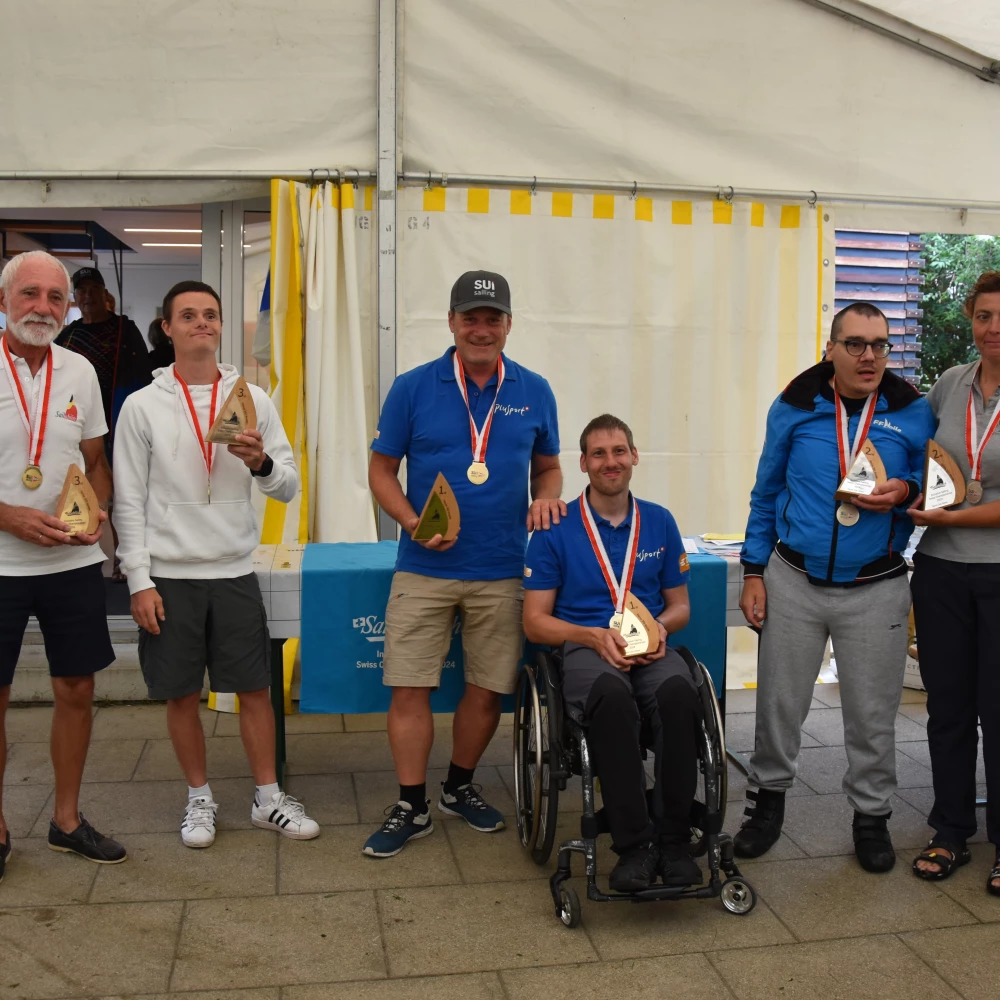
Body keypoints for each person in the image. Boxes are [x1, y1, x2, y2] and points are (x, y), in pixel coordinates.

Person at [363, 270, 564, 858]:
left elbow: (548, 467)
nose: (481, 329)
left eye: (492, 318)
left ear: (508, 324)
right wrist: (411, 522)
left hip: (503, 568)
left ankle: (457, 787)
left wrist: (547, 497)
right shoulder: (412, 387)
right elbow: (381, 470)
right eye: (470, 317)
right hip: (422, 568)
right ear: (451, 322)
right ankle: (412, 804)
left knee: (486, 690)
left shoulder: (535, 389)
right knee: (409, 688)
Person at [113, 280, 319, 849]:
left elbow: (288, 485)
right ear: (167, 328)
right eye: (188, 315)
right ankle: (199, 798)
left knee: (254, 689)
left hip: (232, 571)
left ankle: (267, 798)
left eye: (210, 314)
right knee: (181, 694)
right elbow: (128, 499)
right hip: (170, 576)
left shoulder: (253, 399)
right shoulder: (142, 406)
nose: (201, 323)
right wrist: (138, 579)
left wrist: (260, 465)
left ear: (222, 325)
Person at [737, 302, 934, 872]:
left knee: (872, 713)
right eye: (855, 344)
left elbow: (940, 481)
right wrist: (753, 571)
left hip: (877, 584)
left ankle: (871, 817)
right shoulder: (795, 406)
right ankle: (766, 805)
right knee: (779, 705)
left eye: (880, 345)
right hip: (794, 580)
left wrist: (907, 489)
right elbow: (765, 491)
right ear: (830, 349)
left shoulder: (912, 410)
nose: (869, 356)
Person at [522, 414, 702, 892]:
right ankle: (634, 845)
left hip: (651, 646)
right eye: (598, 454)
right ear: (582, 463)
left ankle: (674, 841)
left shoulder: (659, 521)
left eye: (619, 451)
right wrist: (591, 636)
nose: (610, 461)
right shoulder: (556, 527)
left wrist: (659, 628)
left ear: (634, 456)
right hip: (588, 646)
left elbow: (680, 606)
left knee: (681, 696)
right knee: (611, 698)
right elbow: (534, 621)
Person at [0, 251, 127, 881]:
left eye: (55, 297)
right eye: (30, 294)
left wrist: (98, 508)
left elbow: (95, 460)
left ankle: (67, 821)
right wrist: (9, 517)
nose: (43, 308)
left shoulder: (79, 369)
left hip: (70, 564)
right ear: (4, 300)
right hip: (0, 563)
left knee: (77, 689)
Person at [908, 271, 1000, 895]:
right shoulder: (950, 383)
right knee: (947, 707)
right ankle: (949, 829)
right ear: (970, 318)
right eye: (984, 316)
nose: (993, 329)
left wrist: (953, 517)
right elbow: (926, 456)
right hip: (940, 570)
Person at [57, 266, 151, 438]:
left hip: (117, 420)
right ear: (75, 297)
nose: (88, 295)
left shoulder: (125, 329)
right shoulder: (68, 334)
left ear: (105, 293)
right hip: (76, 418)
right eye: (82, 291)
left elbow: (144, 377)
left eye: (94, 289)